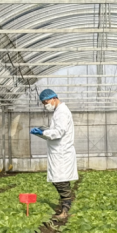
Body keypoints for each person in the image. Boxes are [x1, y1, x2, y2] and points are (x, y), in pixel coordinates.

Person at [30, 89, 78, 218]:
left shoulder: (62, 112)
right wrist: (43, 132)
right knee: (59, 181)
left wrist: (43, 132)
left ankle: (65, 211)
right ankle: (64, 208)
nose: (45, 105)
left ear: (54, 98)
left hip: (62, 153)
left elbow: (59, 132)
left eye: (46, 102)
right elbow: (55, 131)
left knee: (61, 181)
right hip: (58, 152)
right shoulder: (58, 111)